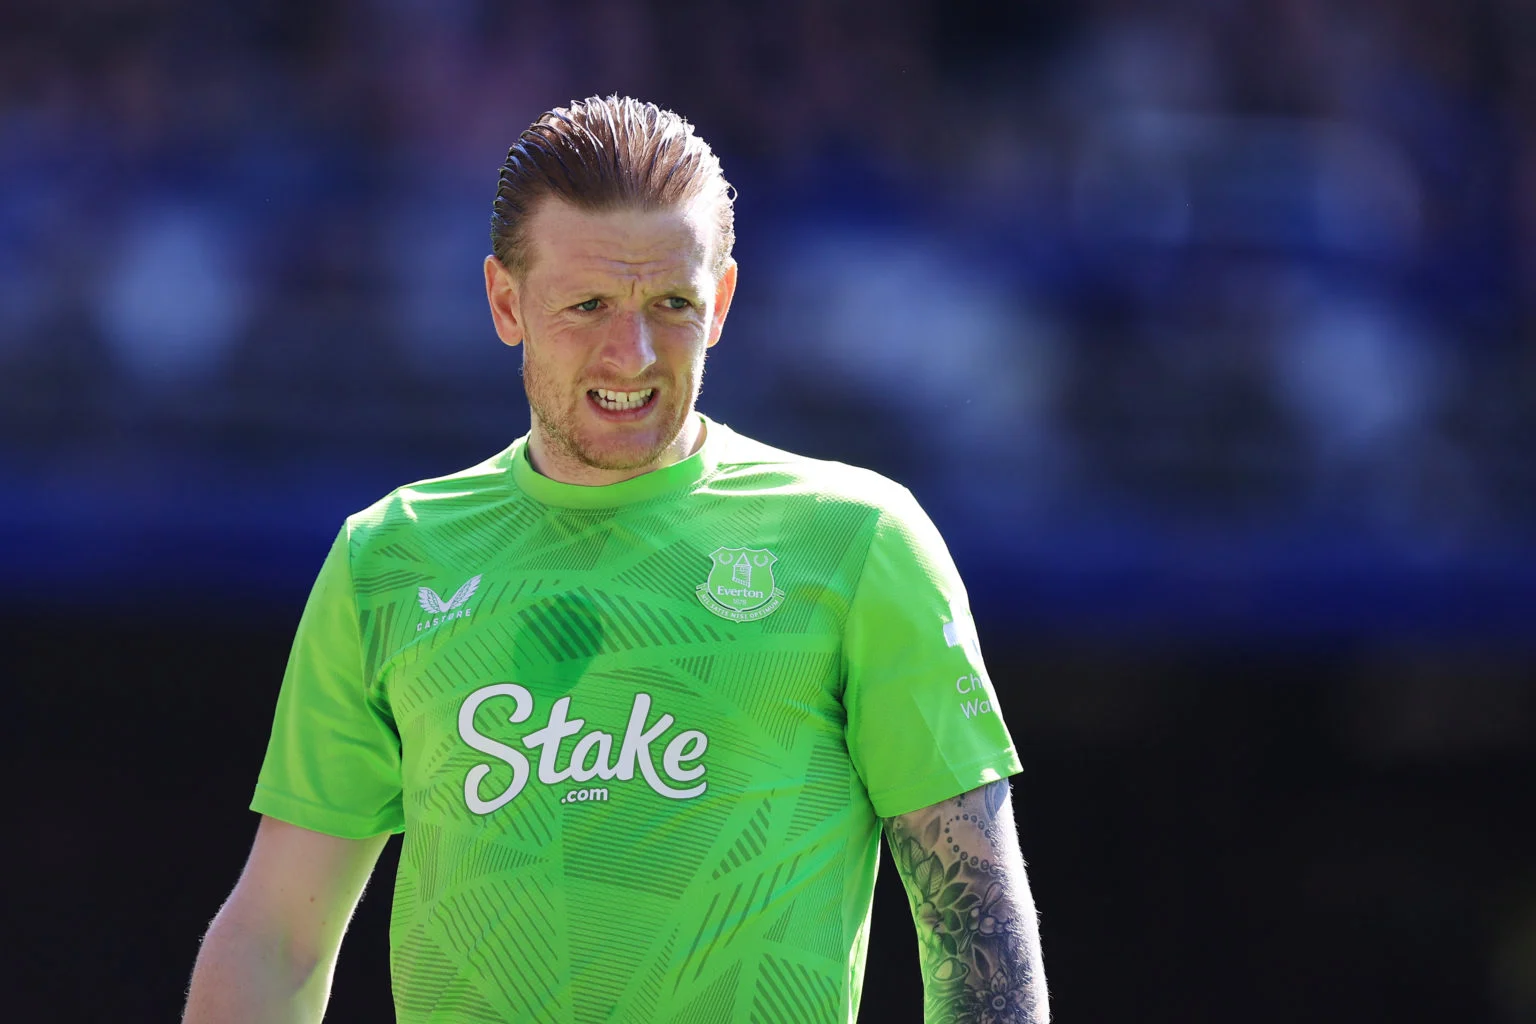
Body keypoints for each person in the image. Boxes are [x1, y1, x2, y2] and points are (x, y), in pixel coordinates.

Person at [183, 94, 1048, 1024]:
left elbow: (976, 925)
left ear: (720, 303)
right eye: (587, 305)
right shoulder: (389, 559)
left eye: (670, 304)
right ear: (506, 302)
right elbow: (278, 938)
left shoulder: (858, 538)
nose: (630, 354)